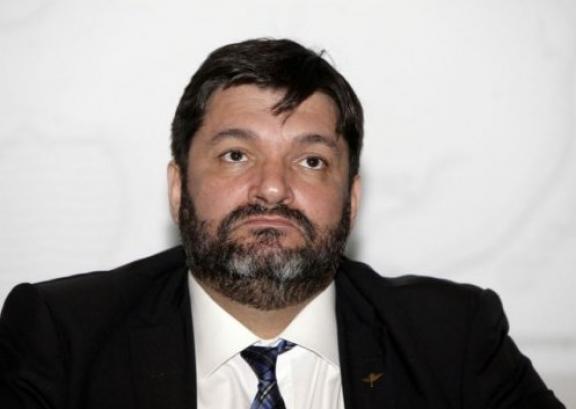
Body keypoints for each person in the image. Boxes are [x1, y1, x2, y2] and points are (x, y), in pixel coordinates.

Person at [0, 38, 565, 409]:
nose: (272, 188)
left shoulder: (454, 337)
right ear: (177, 188)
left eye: (311, 161)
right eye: (236, 155)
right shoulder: (63, 336)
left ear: (352, 199)